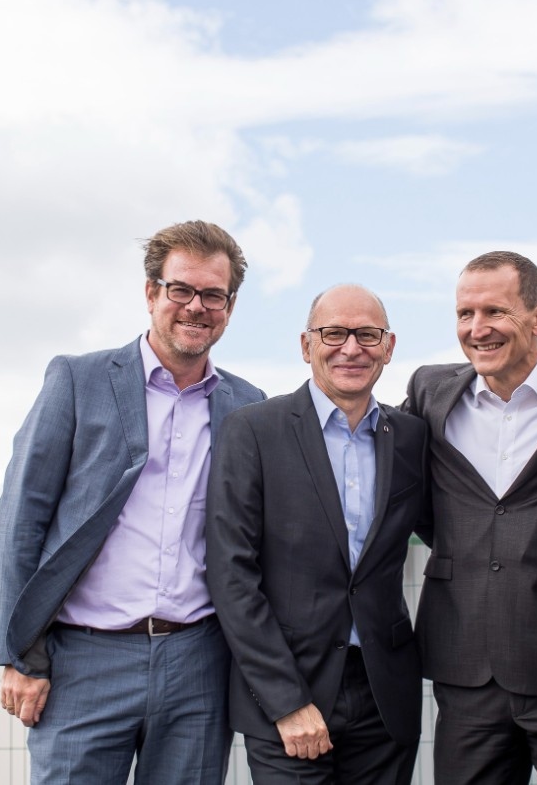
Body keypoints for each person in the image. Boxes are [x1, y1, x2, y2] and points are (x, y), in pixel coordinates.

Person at [0, 220, 267, 784]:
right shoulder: (78, 380)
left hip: (198, 663)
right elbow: (21, 520)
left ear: (230, 306)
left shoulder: (248, 406)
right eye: (180, 289)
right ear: (150, 292)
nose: (196, 306)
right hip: (82, 663)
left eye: (213, 295)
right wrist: (19, 654)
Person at [206, 284, 429, 785]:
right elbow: (230, 573)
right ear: (306, 345)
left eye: (367, 335)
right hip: (290, 689)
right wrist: (286, 701)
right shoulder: (253, 431)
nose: (351, 348)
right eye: (333, 334)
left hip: (384, 696)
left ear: (388, 347)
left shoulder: (411, 437)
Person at [402, 251, 537, 785]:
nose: (477, 329)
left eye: (495, 311)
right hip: (465, 663)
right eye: (465, 314)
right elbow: (406, 493)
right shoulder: (429, 392)